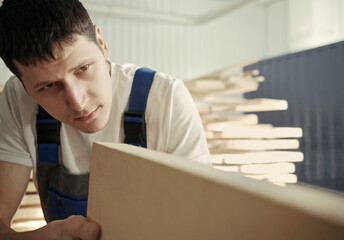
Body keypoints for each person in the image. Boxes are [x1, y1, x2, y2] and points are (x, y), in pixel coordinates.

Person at [0, 0, 210, 239]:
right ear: (24, 87)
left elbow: (203, 222)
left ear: (101, 42)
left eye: (83, 68)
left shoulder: (166, 99)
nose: (78, 102)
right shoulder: (17, 100)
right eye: (49, 86)